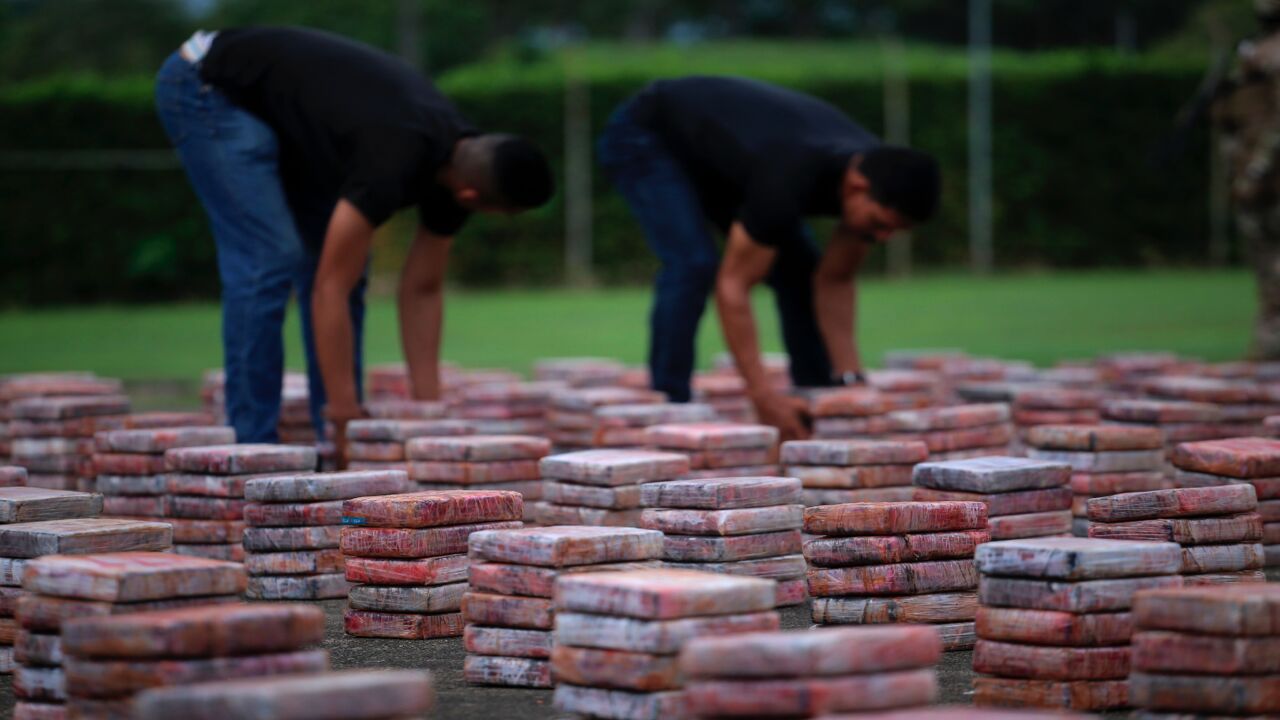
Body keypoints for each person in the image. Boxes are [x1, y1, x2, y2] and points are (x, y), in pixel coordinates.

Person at [154, 27, 554, 459]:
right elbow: (331, 288)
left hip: (290, 118)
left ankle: (330, 442)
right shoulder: (393, 160)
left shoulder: (458, 165)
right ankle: (255, 452)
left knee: (343, 267)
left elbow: (422, 290)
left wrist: (430, 413)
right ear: (475, 199)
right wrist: (344, 410)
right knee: (269, 259)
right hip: (208, 84)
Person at [598, 76, 940, 440]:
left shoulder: (879, 170)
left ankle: (815, 397)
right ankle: (670, 405)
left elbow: (834, 279)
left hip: (726, 156)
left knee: (802, 272)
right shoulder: (788, 180)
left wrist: (850, 383)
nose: (882, 238)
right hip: (648, 134)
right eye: (879, 225)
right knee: (693, 262)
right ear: (856, 186)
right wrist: (762, 395)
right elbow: (734, 287)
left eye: (893, 232)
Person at [1214, 0, 1280, 359]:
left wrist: (1255, 170)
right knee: (1264, 266)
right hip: (1254, 177)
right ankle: (1270, 340)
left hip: (1268, 178)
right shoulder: (1254, 52)